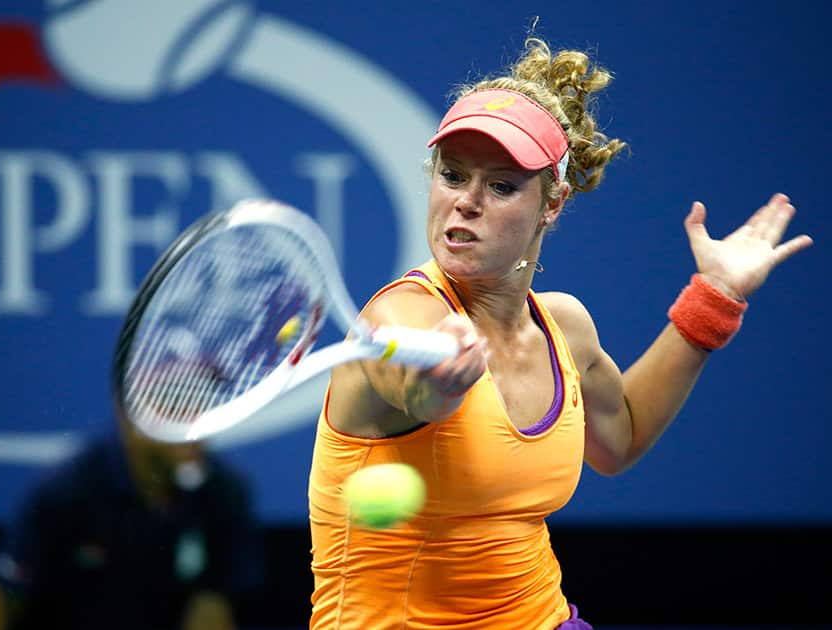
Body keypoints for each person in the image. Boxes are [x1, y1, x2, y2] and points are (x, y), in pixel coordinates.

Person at [307, 36, 812, 629]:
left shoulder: (565, 327)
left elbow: (617, 439)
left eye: (501, 186)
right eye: (452, 175)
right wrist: (441, 383)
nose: (465, 202)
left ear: (552, 203)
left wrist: (715, 299)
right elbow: (417, 391)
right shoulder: (400, 318)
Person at [0, 412, 263, 630]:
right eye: (175, 405)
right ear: (128, 415)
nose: (194, 422)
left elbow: (210, 609)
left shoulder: (223, 492)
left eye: (202, 403)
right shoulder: (66, 491)